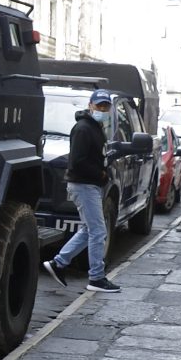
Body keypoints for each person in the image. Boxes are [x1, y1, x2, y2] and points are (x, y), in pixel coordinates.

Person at [44, 89, 121, 293]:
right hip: (85, 185)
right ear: (90, 105)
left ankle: (58, 263)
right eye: (99, 105)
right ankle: (96, 278)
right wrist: (101, 174)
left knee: (89, 230)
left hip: (88, 185)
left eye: (106, 106)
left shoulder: (94, 127)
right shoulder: (83, 128)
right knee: (98, 231)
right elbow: (76, 162)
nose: (102, 109)